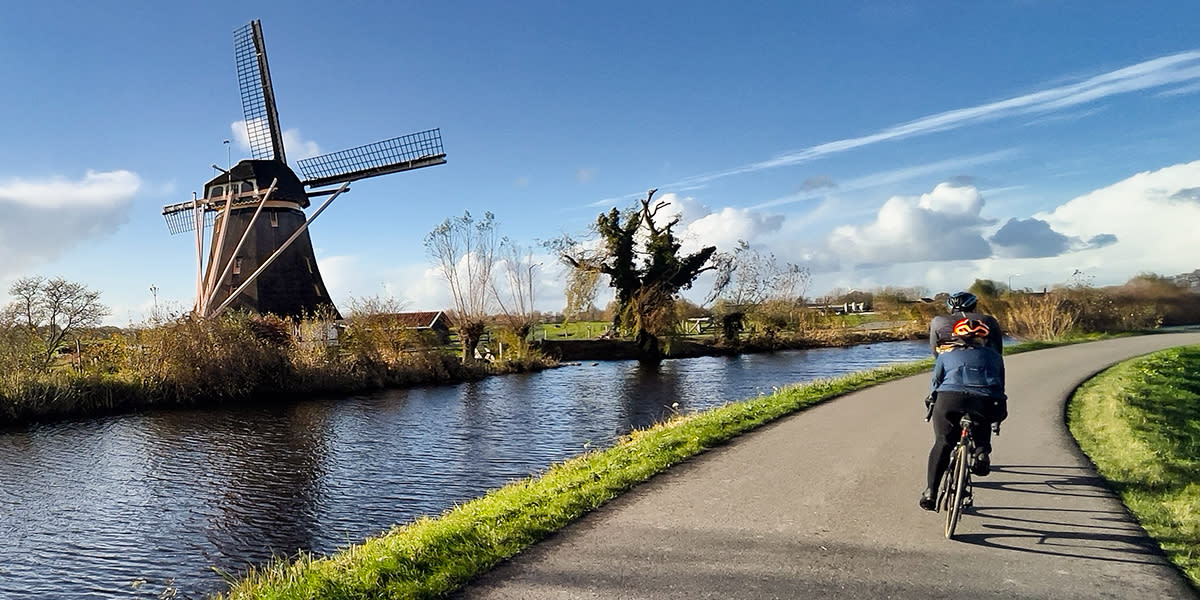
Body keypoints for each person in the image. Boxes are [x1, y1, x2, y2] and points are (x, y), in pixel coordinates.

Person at [919, 317, 1008, 511]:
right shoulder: (995, 356)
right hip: (986, 399)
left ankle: (930, 493)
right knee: (982, 420)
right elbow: (1000, 384)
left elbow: (936, 383)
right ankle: (981, 452)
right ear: (983, 339)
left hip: (950, 398)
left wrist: (931, 400)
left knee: (943, 441)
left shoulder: (946, 355)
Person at [928, 291, 1004, 356]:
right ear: (974, 306)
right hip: (982, 359)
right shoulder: (988, 319)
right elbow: (997, 348)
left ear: (950, 308)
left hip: (951, 361)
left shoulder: (937, 321)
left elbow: (934, 348)